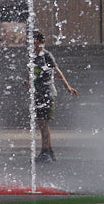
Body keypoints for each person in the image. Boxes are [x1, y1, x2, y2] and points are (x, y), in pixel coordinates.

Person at [28, 31, 77, 163]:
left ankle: (46, 152)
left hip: (47, 93)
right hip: (39, 93)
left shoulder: (46, 56)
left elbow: (57, 72)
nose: (31, 44)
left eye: (34, 41)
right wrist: (28, 82)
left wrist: (68, 87)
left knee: (43, 123)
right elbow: (31, 72)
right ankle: (48, 151)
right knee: (41, 123)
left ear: (41, 42)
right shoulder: (33, 56)